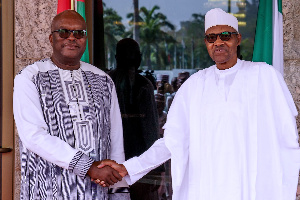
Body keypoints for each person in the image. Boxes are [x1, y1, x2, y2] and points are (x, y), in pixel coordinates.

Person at [98, 8, 300, 200]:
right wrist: (129, 168)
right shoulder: (194, 86)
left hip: (251, 188)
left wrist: (292, 178)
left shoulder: (265, 77)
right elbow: (171, 142)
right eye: (212, 38)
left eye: (225, 36)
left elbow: (287, 136)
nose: (218, 42)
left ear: (238, 39)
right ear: (206, 43)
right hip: (208, 188)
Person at [13, 10, 129, 200]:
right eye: (64, 32)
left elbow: (115, 139)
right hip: (47, 191)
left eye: (79, 33)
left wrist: (119, 191)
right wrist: (87, 167)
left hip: (95, 193)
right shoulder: (30, 78)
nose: (72, 38)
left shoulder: (103, 80)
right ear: (52, 38)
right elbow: (33, 136)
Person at [109, 38, 164, 200]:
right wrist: (157, 169)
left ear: (116, 57)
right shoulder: (143, 85)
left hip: (115, 163)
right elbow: (151, 130)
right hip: (138, 164)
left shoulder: (107, 80)